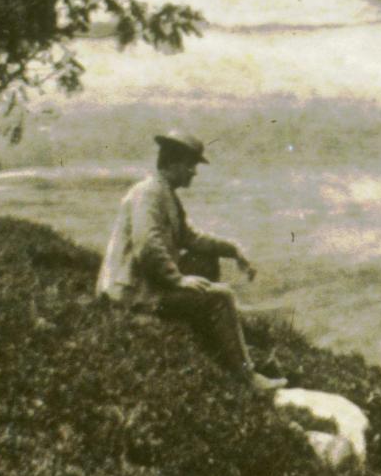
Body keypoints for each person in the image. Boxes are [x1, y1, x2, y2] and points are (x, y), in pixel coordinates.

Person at [97, 130, 286, 393]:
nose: (193, 172)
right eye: (190, 165)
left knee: (206, 259)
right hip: (132, 294)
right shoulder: (150, 194)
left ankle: (216, 339)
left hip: (142, 285)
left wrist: (232, 250)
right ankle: (247, 377)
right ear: (173, 163)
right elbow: (147, 247)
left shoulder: (163, 193)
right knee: (221, 296)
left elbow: (191, 238)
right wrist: (178, 280)